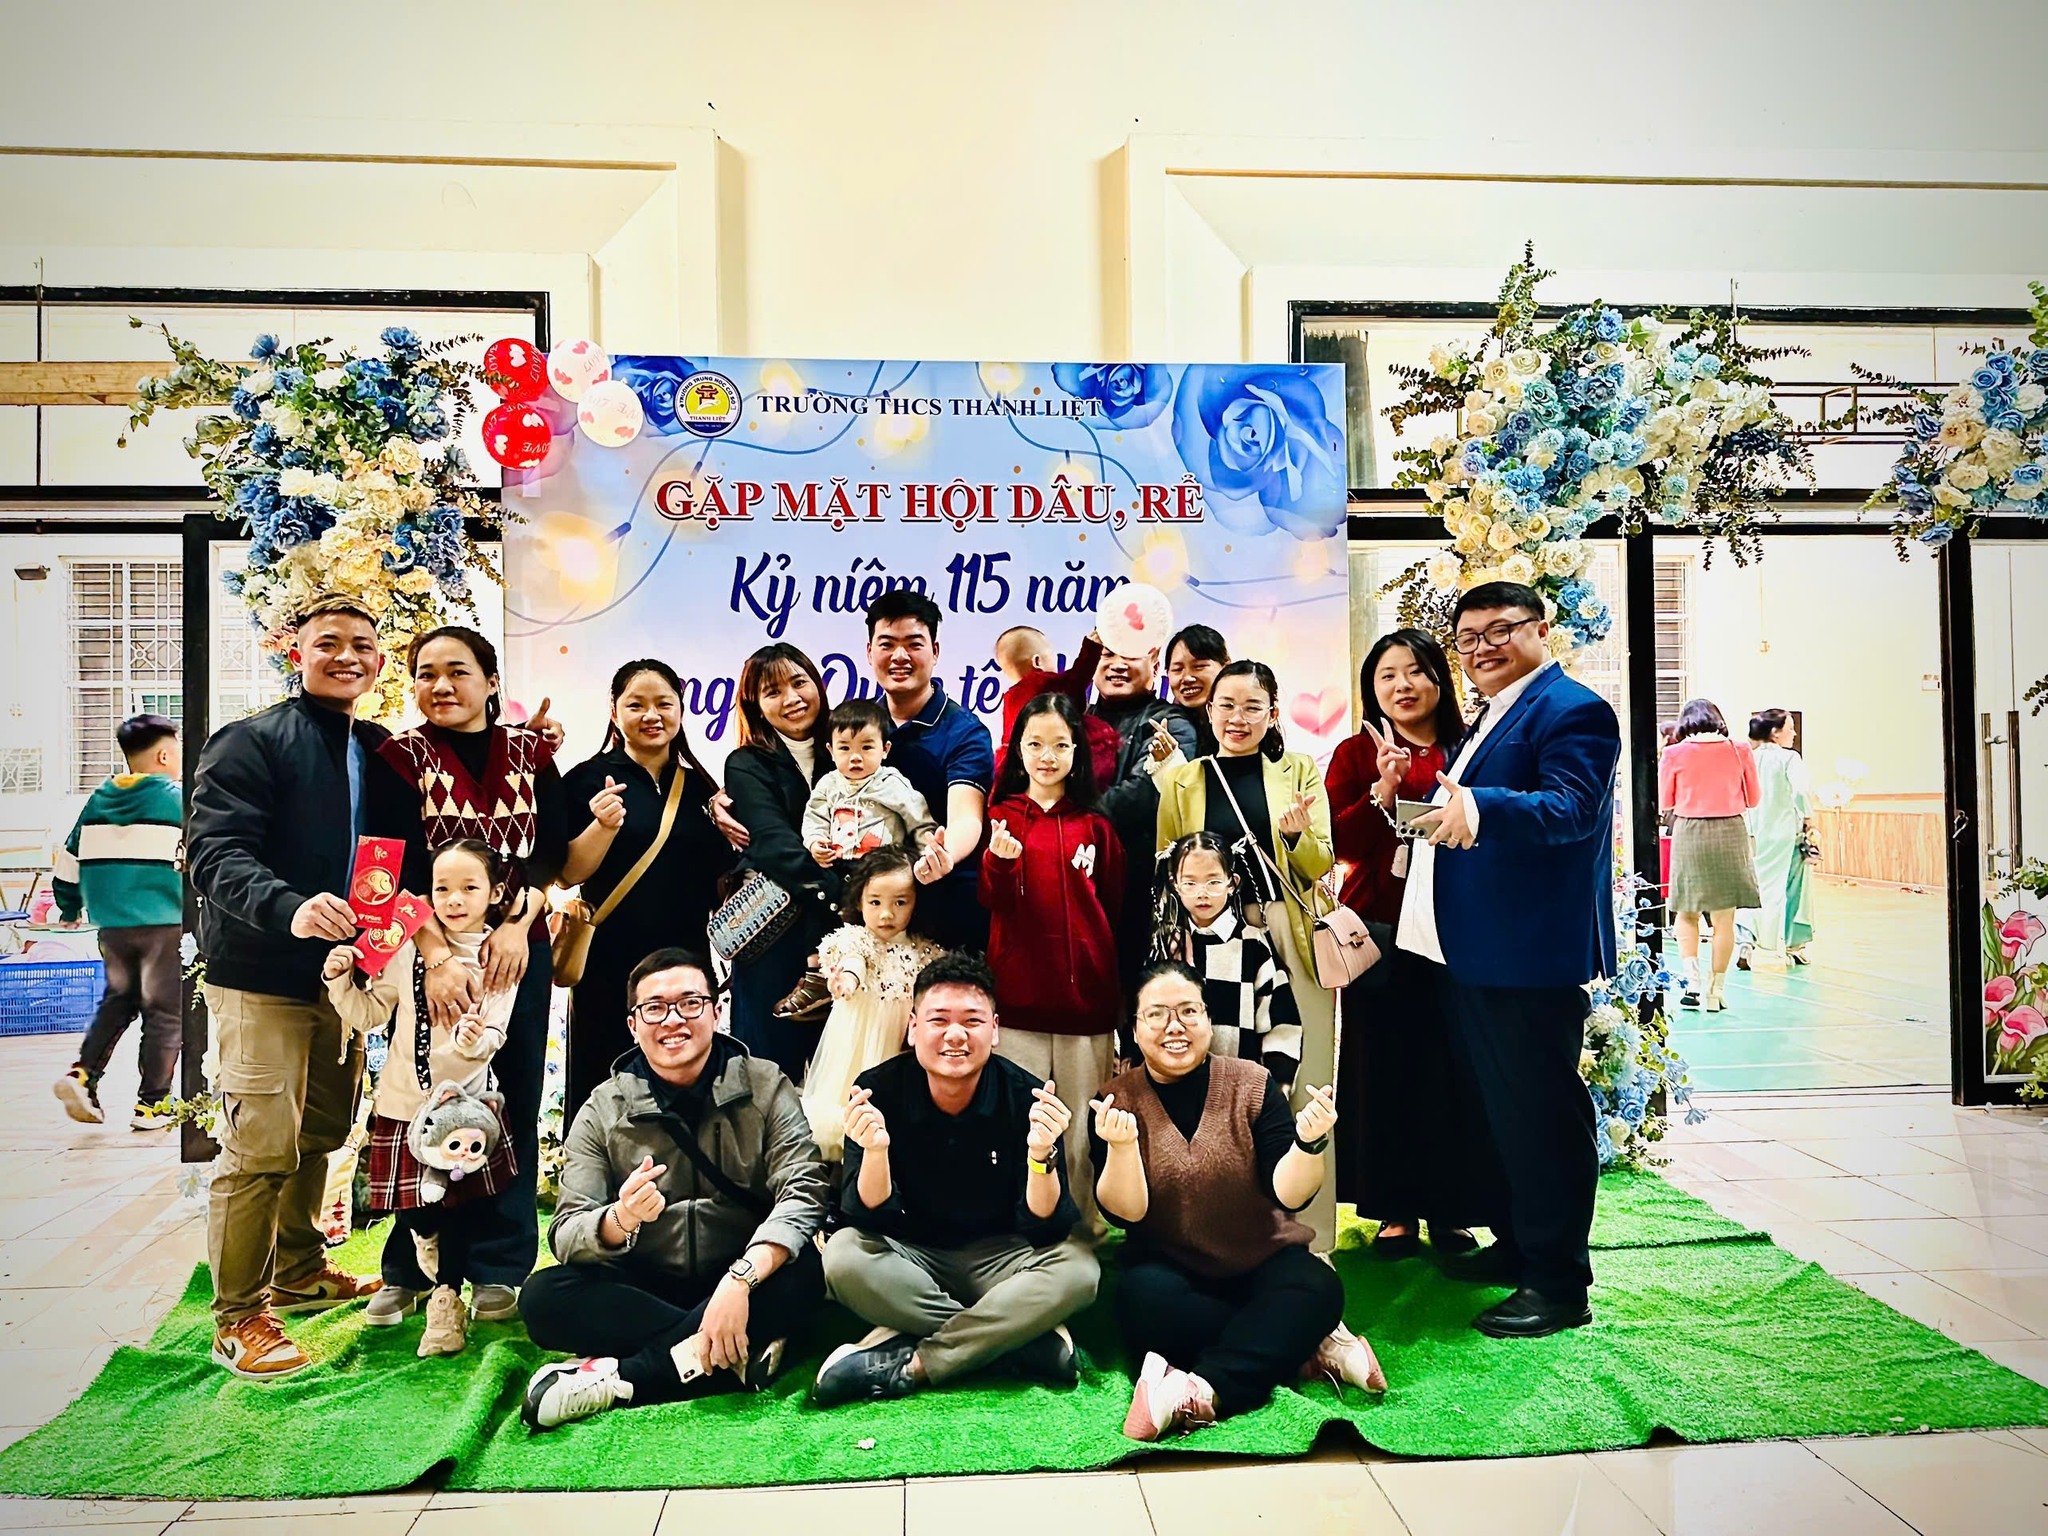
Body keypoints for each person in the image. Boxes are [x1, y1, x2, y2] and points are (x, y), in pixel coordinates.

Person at [1400, 581, 1621, 1339]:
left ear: (1540, 628)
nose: (1482, 648)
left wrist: (1480, 806)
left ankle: (1559, 1285)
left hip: (1529, 955)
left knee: (1544, 1118)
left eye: (1500, 630)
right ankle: (1521, 1246)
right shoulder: (1498, 712)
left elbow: (1572, 809)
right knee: (1504, 1114)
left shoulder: (1573, 710)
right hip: (1478, 951)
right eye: (1468, 638)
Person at [186, 595, 391, 1378]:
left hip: (343, 981)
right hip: (261, 975)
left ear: (379, 661)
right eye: (328, 643)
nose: (347, 656)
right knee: (260, 1145)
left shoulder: (378, 748)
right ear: (294, 652)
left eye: (362, 645)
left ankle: (300, 1270)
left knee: (323, 1131)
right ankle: (238, 1317)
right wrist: (290, 907)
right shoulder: (250, 742)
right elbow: (214, 853)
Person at [518, 948, 830, 1430]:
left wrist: (740, 1280)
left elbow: (804, 1188)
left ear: (716, 1011)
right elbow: (566, 1232)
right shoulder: (601, 1109)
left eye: (690, 1003)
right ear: (633, 1025)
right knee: (542, 1298)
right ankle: (730, 1355)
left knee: (807, 1273)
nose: (673, 1021)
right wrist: (618, 1219)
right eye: (655, 1008)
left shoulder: (767, 1085)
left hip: (743, 1273)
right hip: (646, 1282)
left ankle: (625, 1379)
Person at [1093, 960, 1383, 1442]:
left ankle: (1202, 1390)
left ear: (1209, 1019)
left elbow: (1288, 1192)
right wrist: (1122, 1148)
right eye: (1157, 1014)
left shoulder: (1252, 1083)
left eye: (1189, 1011)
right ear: (1136, 1029)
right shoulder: (1114, 1099)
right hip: (1171, 1271)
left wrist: (1308, 1144)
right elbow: (1125, 1213)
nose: (1175, 1027)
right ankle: (1303, 1345)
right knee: (1142, 1305)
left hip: (1264, 1261)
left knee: (1318, 1288)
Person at [368, 625, 567, 1321]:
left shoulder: (531, 754)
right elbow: (385, 865)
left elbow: (551, 854)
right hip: (428, 953)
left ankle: (498, 1266)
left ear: (490, 682)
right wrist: (434, 957)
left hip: (517, 951)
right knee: (421, 1097)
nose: (441, 685)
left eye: (457, 671)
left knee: (510, 1098)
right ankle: (411, 1264)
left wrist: (516, 924)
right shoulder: (401, 757)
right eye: (426, 674)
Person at [812, 952, 1100, 1404]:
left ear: (995, 1029)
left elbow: (1046, 1225)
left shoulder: (1027, 1096)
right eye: (938, 1020)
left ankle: (918, 1361)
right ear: (913, 1027)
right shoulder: (876, 1089)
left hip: (1002, 1259)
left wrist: (1040, 1156)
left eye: (972, 1021)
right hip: (910, 1258)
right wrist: (876, 1152)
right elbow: (865, 1217)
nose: (955, 1035)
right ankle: (1016, 1340)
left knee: (1079, 1270)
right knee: (843, 1257)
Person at [1154, 659, 1339, 1246]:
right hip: (1210, 934)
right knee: (1216, 1068)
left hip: (1286, 925)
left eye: (1252, 706)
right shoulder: (1184, 780)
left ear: (1273, 713)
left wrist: (1294, 836)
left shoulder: (1299, 769)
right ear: (1208, 712)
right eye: (1226, 705)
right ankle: (1215, 1227)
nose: (1238, 718)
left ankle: (1310, 1232)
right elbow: (1167, 870)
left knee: (1303, 1070)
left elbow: (1321, 862)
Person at [1324, 629, 1489, 1258]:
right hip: (1379, 930)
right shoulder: (1354, 753)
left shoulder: (1468, 746)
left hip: (1456, 929)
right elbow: (1340, 845)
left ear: (1439, 680)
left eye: (1416, 671)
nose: (1402, 685)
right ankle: (1393, 1209)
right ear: (1371, 688)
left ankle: (1451, 1208)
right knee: (1383, 1066)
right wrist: (1383, 792)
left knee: (1453, 1066)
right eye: (1387, 675)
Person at [323, 839, 519, 1356]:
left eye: (469, 887)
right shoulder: (405, 948)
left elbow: (495, 1033)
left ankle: (446, 1304)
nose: (454, 899)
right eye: (442, 888)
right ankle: (422, 1256)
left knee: (459, 1212)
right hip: (402, 1106)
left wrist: (474, 1040)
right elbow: (370, 1014)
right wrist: (340, 980)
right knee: (414, 1212)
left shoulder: (497, 955)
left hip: (464, 1112)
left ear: (495, 893)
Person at [559, 659, 735, 1124]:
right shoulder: (587, 779)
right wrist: (602, 826)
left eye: (664, 704)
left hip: (686, 960)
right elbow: (566, 873)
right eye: (636, 705)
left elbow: (720, 879)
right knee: (605, 1081)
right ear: (614, 712)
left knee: (686, 1078)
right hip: (609, 963)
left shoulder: (700, 787)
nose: (651, 715)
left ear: (680, 709)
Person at [980, 692, 1125, 1233]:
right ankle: (1018, 1227)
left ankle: (1085, 1228)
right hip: (1017, 1002)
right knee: (1020, 1122)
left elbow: (1114, 907)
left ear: (1077, 751)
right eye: (1035, 743)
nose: (1047, 756)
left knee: (1083, 1124)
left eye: (1060, 745)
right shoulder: (1000, 817)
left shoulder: (1097, 825)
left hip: (1086, 1003)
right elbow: (989, 902)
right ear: (1017, 749)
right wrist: (1000, 863)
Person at [51, 712, 185, 1131]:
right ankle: (152, 1104)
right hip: (163, 923)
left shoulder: (99, 799)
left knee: (120, 999)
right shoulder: (178, 799)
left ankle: (83, 1075)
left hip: (112, 926)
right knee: (165, 1013)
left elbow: (68, 862)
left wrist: (69, 907)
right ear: (164, 754)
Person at [720, 643, 841, 1076]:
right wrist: (844, 896)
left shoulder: (848, 746)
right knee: (768, 1076)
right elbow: (774, 844)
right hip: (772, 936)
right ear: (755, 704)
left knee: (844, 1076)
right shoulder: (746, 763)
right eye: (772, 692)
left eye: (799, 683)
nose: (791, 698)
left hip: (846, 943)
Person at [864, 590, 994, 952]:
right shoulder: (857, 724)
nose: (899, 656)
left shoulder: (965, 731)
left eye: (913, 644)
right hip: (872, 909)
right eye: (887, 644)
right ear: (869, 651)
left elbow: (967, 817)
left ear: (934, 651)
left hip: (945, 903)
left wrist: (942, 855)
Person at [801, 848, 944, 1158]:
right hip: (857, 1048)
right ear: (859, 900)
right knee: (848, 1116)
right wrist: (846, 981)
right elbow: (854, 964)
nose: (886, 914)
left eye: (900, 902)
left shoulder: (924, 952)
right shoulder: (855, 940)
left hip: (900, 1050)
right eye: (875, 902)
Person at [1090, 638, 1202, 994]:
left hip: (1140, 894)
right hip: (1083, 889)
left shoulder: (1171, 723)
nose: (1116, 664)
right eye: (1107, 654)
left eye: (1129, 654)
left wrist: (1073, 821)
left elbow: (1143, 795)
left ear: (1154, 663)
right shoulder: (1074, 719)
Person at [1150, 832, 1300, 1079]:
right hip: (1175, 1083)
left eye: (1213, 882)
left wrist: (1277, 1084)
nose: (1202, 893)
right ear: (1175, 884)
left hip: (1240, 1084)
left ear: (1232, 883)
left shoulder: (1252, 943)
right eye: (1190, 883)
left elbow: (1281, 1022)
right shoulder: (1167, 944)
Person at [1660, 697, 1762, 1013]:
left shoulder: (1674, 753)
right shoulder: (1740, 750)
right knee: (1723, 918)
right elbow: (1753, 799)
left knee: (1686, 912)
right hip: (1730, 832)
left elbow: (1665, 800)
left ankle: (1691, 981)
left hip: (1690, 831)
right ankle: (1716, 992)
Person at [992, 624, 1122, 793]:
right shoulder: (1043, 682)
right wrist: (1092, 647)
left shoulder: (1009, 698)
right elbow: (1077, 678)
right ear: (1037, 661)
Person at [1738, 708, 1817, 968]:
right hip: (1785, 834)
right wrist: (1809, 819)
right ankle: (1795, 945)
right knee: (1795, 888)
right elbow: (1801, 791)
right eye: (1790, 728)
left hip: (1753, 832)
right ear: (1775, 733)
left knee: (1755, 887)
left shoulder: (1747, 757)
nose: (1793, 734)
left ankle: (1746, 941)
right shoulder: (1789, 758)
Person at [1162, 624, 1230, 755]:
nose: (1187, 678)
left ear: (1226, 668)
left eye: (1199, 666)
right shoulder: (1164, 724)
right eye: (1177, 669)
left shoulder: (1245, 722)